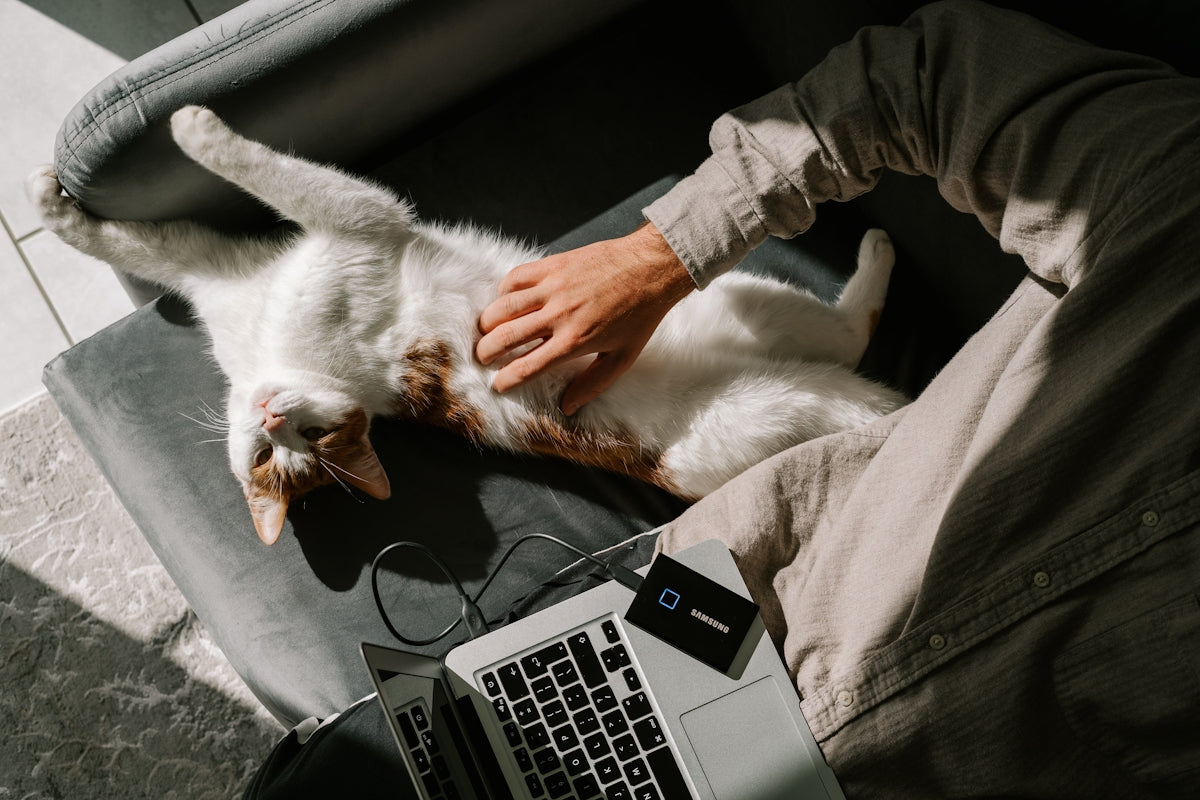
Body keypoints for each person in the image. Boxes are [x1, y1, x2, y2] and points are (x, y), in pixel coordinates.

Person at [250, 1, 1200, 795]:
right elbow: (924, 79)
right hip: (726, 586)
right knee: (360, 780)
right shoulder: (1179, 213)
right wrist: (657, 255)